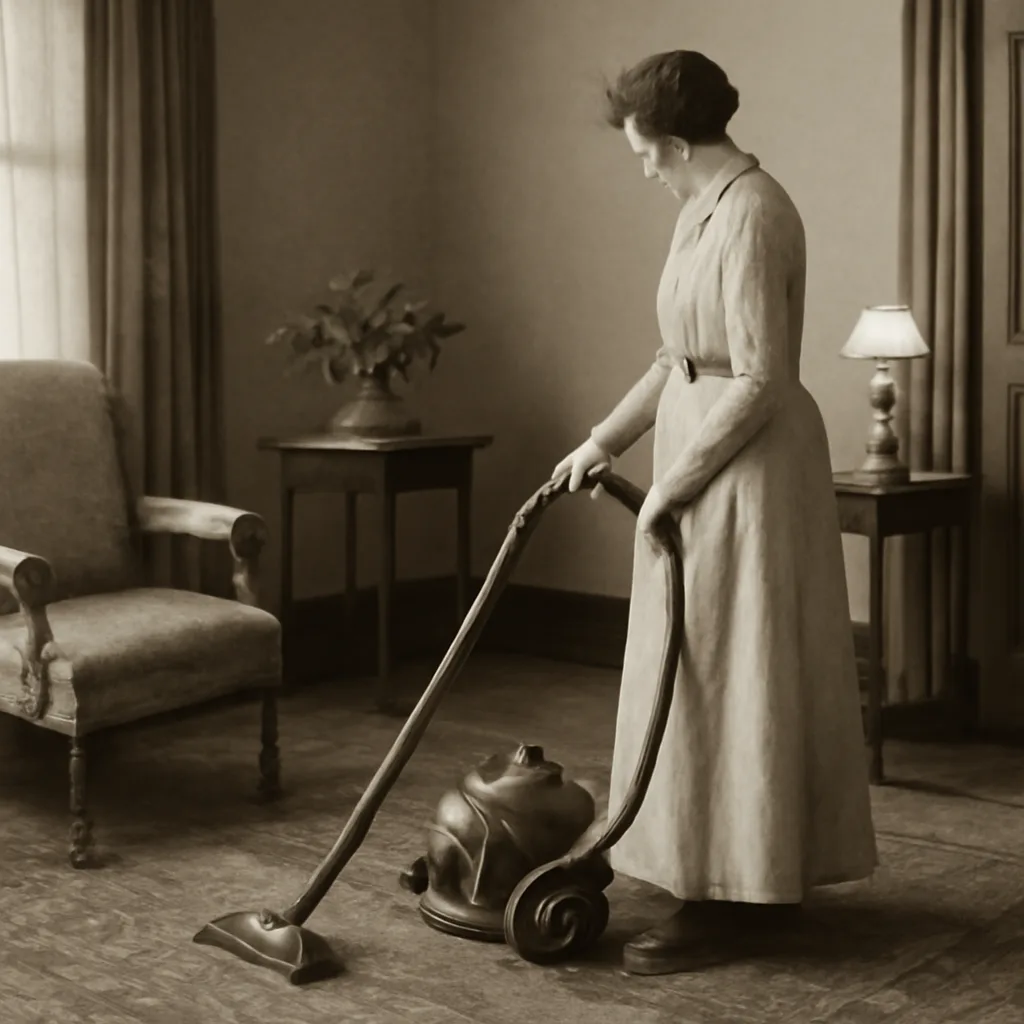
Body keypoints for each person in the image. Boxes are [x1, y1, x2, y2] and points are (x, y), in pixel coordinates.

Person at [552, 50, 878, 976]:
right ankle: (699, 864)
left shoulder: (757, 213)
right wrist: (602, 443)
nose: (645, 170)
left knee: (740, 673)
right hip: (697, 460)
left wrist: (670, 486)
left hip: (750, 469)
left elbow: (765, 379)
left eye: (647, 154)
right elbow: (674, 359)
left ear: (680, 142)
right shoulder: (700, 211)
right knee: (687, 672)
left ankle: (744, 891)